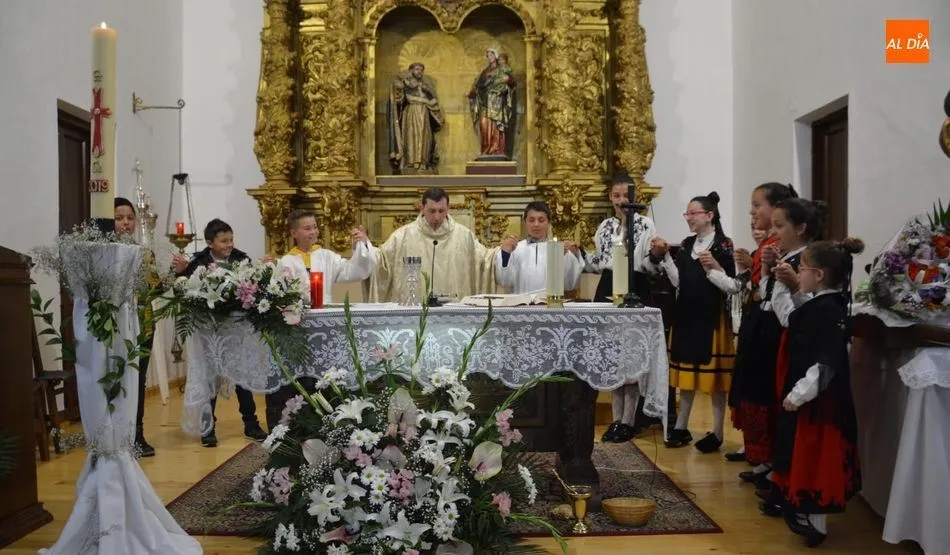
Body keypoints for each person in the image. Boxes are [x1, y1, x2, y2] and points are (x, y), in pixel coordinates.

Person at [771, 239, 864, 547]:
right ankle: (806, 513)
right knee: (805, 455)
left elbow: (827, 361)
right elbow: (803, 320)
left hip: (818, 403)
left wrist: (800, 393)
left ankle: (817, 523)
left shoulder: (828, 310)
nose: (799, 272)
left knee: (816, 459)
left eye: (803, 268)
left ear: (820, 275)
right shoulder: (823, 304)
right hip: (812, 398)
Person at [752, 198, 828, 514]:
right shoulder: (790, 258)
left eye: (779, 226)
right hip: (786, 342)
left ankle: (789, 486)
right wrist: (770, 272)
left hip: (797, 344)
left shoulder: (809, 262)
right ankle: (783, 481)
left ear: (801, 228)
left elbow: (796, 315)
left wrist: (793, 285)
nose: (773, 232)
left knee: (792, 417)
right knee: (785, 416)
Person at [647, 192, 736, 453]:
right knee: (685, 377)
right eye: (686, 214)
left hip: (711, 316)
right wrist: (664, 256)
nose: (688, 219)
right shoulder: (686, 244)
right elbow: (677, 282)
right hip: (685, 314)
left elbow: (732, 285)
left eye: (692, 214)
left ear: (709, 215)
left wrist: (715, 267)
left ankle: (718, 432)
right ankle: (681, 427)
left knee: (716, 383)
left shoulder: (723, 245)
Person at [171, 219, 268, 447]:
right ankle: (208, 427)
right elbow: (184, 288)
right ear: (210, 243)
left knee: (241, 379)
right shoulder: (198, 262)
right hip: (210, 331)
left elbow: (252, 289)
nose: (229, 245)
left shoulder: (241, 259)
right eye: (223, 241)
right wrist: (181, 272)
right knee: (211, 378)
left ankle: (251, 424)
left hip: (235, 331)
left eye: (231, 240)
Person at [721, 183, 798, 466]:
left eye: (757, 205)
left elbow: (767, 291)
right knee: (749, 387)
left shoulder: (780, 249)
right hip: (757, 322)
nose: (752, 212)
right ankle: (756, 450)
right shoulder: (767, 245)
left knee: (763, 390)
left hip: (770, 326)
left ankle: (766, 456)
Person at [584, 176, 660, 443]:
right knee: (612, 355)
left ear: (634, 197)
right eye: (616, 197)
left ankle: (629, 420)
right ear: (610, 198)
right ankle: (617, 419)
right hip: (608, 285)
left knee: (631, 354)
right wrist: (579, 254)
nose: (620, 202)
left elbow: (648, 263)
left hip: (634, 284)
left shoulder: (645, 225)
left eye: (625, 197)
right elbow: (597, 261)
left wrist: (656, 253)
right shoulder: (605, 226)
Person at [364, 187, 498, 302]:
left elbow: (485, 259)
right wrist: (365, 247)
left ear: (448, 209)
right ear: (422, 208)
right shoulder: (403, 236)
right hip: (416, 314)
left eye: (441, 211)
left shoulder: (463, 236)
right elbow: (381, 261)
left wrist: (502, 252)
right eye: (432, 211)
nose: (437, 217)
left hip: (451, 313)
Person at [114, 197, 158, 457]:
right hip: (116, 328)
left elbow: (155, 287)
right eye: (120, 218)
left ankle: (137, 434)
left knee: (138, 381)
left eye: (130, 218)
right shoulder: (104, 253)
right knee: (119, 380)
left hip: (144, 327)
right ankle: (116, 435)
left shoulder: (145, 252)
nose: (126, 223)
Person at [278, 209, 376, 304]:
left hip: (324, 311)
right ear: (294, 233)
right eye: (307, 228)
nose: (313, 232)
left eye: (315, 227)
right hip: (297, 315)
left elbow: (352, 271)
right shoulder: (287, 261)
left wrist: (362, 245)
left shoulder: (327, 257)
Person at [495, 201, 583, 294]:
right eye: (531, 220)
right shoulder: (516, 249)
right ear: (525, 222)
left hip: (550, 305)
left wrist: (567, 256)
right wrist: (506, 254)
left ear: (549, 223)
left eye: (541, 220)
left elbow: (570, 284)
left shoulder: (558, 249)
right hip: (522, 305)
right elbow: (504, 281)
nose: (536, 224)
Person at [389, 62, 444, 173]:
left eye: (421, 70)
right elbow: (401, 99)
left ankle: (423, 162)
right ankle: (411, 162)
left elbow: (433, 102)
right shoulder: (405, 83)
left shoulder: (425, 86)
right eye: (417, 69)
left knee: (424, 137)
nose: (419, 71)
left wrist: (427, 95)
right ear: (411, 71)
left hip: (424, 112)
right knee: (411, 136)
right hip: (411, 112)